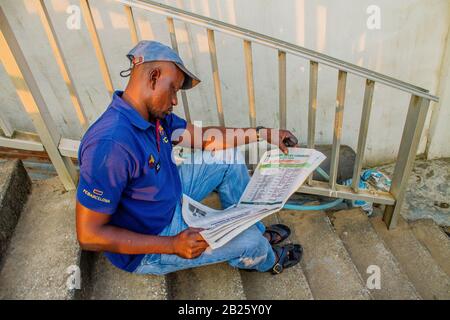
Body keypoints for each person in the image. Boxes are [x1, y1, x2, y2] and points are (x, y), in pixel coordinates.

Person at [76, 40, 302, 276]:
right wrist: (172, 244)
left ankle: (255, 229)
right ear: (153, 76)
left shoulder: (154, 117)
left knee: (228, 156)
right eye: (173, 89)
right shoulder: (110, 146)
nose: (175, 100)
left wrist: (262, 133)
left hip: (169, 197)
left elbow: (205, 137)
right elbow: (89, 234)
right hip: (153, 239)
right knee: (252, 244)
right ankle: (267, 259)